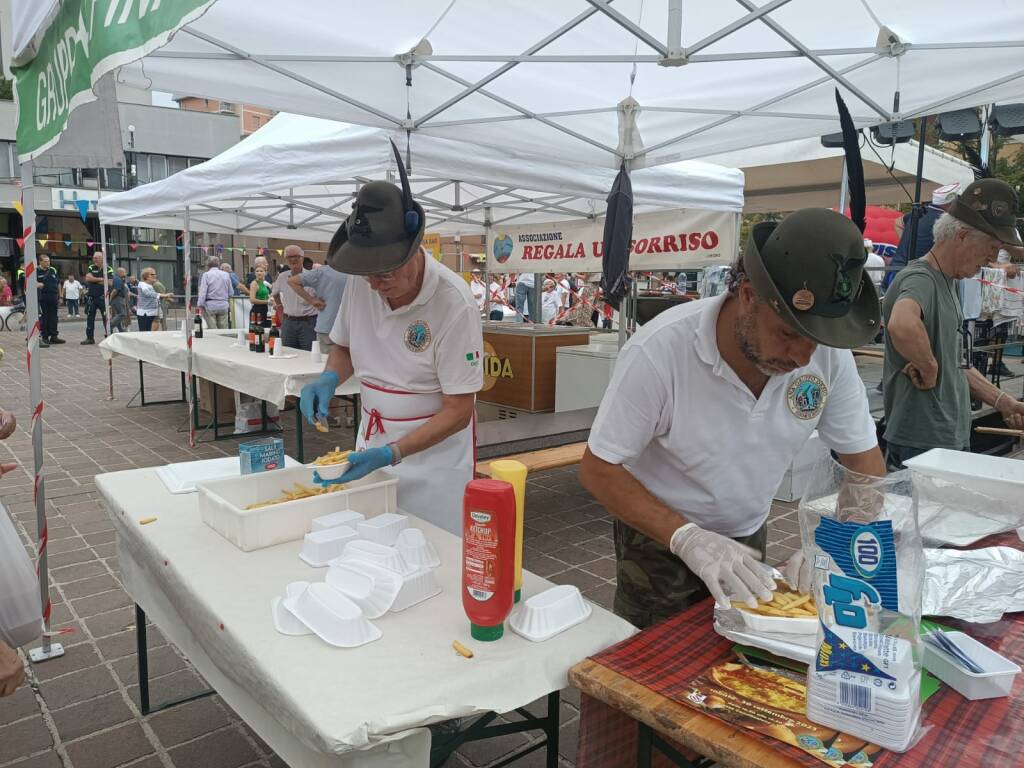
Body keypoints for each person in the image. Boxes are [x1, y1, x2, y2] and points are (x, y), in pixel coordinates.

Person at [580, 208, 887, 629]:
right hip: (659, 540)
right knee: (652, 657)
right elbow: (599, 469)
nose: (802, 357)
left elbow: (865, 466)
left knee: (742, 655)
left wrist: (834, 545)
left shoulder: (826, 356)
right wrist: (687, 537)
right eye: (788, 333)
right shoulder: (661, 350)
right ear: (747, 295)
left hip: (748, 533)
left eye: (815, 340)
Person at [300, 175, 482, 535]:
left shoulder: (454, 302)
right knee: (369, 537)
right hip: (372, 440)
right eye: (368, 275)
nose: (375, 285)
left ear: (413, 249)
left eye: (384, 273)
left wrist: (393, 453)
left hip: (433, 458)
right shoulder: (363, 279)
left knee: (431, 548)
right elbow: (346, 346)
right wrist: (328, 378)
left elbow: (460, 411)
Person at [882, 179, 1024, 469]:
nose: (992, 258)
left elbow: (954, 362)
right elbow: (902, 323)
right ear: (961, 236)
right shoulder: (920, 278)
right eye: (992, 246)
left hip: (942, 437)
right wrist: (928, 367)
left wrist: (1002, 401)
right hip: (920, 441)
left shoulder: (949, 281)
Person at [885, 182, 960, 289]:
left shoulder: (920, 212)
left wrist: (909, 246)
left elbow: (897, 223)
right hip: (914, 277)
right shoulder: (945, 222)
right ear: (950, 204)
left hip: (894, 271)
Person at [288, 262, 348, 355]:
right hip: (352, 327)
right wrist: (312, 300)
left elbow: (292, 281)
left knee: (327, 364)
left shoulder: (324, 271)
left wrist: (312, 300)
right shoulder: (362, 273)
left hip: (328, 325)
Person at [272, 245, 318, 350]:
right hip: (288, 322)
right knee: (287, 354)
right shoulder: (282, 277)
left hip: (309, 323)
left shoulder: (313, 276)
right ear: (286, 259)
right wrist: (280, 308)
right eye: (289, 257)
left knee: (309, 355)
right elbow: (275, 293)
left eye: (296, 256)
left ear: (302, 257)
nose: (293, 259)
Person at [81, 251, 112, 345]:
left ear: (102, 258)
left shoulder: (109, 269)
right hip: (92, 298)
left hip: (103, 298)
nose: (94, 259)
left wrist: (94, 280)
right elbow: (88, 278)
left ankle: (109, 336)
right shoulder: (91, 267)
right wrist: (101, 279)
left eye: (96, 258)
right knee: (90, 318)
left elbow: (110, 282)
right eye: (94, 258)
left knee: (106, 318)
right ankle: (90, 338)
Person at [197, 255, 233, 329]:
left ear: (208, 265)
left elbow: (203, 292)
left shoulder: (206, 275)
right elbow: (231, 292)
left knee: (213, 329)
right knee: (223, 329)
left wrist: (200, 304)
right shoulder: (226, 275)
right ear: (218, 264)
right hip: (223, 304)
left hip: (210, 305)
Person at [36, 255, 63, 346]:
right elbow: (30, 282)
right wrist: (37, 284)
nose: (48, 263)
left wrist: (60, 296)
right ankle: (45, 337)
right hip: (43, 297)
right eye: (46, 261)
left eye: (48, 261)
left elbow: (58, 283)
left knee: (54, 317)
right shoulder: (36, 271)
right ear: (40, 261)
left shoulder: (53, 270)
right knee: (45, 317)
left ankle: (54, 336)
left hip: (54, 296)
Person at [108, 267, 129, 333]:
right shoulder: (118, 279)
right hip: (118, 298)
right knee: (122, 314)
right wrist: (110, 300)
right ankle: (109, 325)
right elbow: (115, 291)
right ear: (120, 272)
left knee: (119, 314)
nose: (125, 274)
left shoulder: (119, 279)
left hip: (118, 298)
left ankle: (121, 330)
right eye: (124, 272)